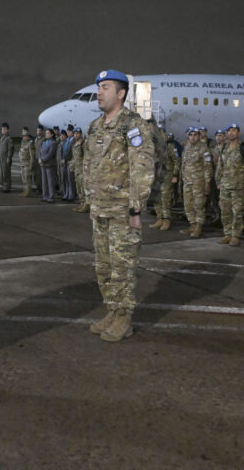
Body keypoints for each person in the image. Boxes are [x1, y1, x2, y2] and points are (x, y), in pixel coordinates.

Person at [84, 69, 155, 342]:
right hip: (100, 209)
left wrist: (136, 209)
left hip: (122, 212)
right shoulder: (96, 126)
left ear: (121, 93)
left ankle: (124, 319)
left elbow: (142, 169)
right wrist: (90, 199)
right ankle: (112, 311)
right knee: (103, 267)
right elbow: (88, 164)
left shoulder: (133, 125)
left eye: (105, 87)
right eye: (99, 87)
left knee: (122, 268)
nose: (99, 92)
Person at [215, 123, 244, 246]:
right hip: (225, 186)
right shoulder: (224, 148)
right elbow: (220, 166)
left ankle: (236, 235)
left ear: (238, 133)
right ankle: (227, 234)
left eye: (234, 130)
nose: (231, 133)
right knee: (225, 211)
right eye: (229, 131)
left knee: (237, 212)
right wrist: (218, 181)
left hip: (238, 186)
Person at [180, 127, 213, 238]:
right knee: (188, 205)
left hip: (198, 182)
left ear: (199, 136)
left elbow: (208, 167)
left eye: (195, 135)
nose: (192, 137)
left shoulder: (204, 148)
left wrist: (207, 183)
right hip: (187, 181)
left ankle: (199, 226)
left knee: (199, 205)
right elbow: (183, 164)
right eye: (191, 135)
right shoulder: (187, 147)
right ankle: (192, 224)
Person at [151, 126, 181, 231]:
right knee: (156, 197)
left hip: (167, 174)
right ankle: (159, 218)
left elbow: (177, 161)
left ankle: (167, 219)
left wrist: (175, 175)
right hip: (156, 175)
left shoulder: (170, 146)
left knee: (165, 196)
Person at [72, 128, 90, 212]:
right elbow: (74, 157)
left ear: (81, 134)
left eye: (77, 133)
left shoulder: (83, 144)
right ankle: (81, 203)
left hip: (83, 170)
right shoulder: (75, 144)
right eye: (75, 133)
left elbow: (86, 157)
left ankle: (86, 205)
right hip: (77, 169)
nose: (76, 135)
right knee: (78, 187)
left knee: (83, 188)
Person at [39, 127, 58, 202]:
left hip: (50, 164)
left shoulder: (53, 143)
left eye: (48, 133)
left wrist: (42, 160)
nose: (46, 134)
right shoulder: (44, 142)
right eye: (46, 133)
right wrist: (39, 159)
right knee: (44, 181)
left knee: (50, 181)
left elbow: (51, 154)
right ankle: (45, 196)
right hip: (43, 164)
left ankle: (51, 197)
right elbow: (40, 152)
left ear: (52, 134)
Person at [19, 127, 36, 197]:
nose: (23, 137)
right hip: (22, 163)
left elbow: (32, 156)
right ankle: (25, 190)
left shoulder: (30, 144)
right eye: (23, 136)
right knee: (23, 178)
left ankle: (28, 191)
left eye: (25, 136)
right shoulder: (23, 143)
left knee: (27, 178)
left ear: (28, 136)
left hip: (27, 163)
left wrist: (31, 165)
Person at [61, 126, 76, 201]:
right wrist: (62, 159)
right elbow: (63, 150)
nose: (68, 133)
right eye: (67, 131)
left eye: (69, 131)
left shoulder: (73, 141)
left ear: (72, 132)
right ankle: (66, 194)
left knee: (71, 180)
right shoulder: (67, 140)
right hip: (64, 162)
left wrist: (65, 159)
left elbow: (70, 152)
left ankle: (71, 195)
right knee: (65, 179)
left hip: (70, 162)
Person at [0, 122, 14, 193]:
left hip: (6, 159)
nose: (3, 130)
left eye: (4, 129)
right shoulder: (2, 138)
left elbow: (11, 148)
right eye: (2, 129)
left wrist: (9, 157)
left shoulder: (8, 138)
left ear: (8, 130)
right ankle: (4, 186)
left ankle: (7, 187)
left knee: (6, 173)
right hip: (2, 159)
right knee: (3, 173)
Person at [34, 125, 45, 193]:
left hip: (41, 159)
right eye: (37, 130)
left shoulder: (44, 139)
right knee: (36, 174)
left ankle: (42, 188)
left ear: (42, 131)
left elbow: (43, 150)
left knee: (41, 174)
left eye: (40, 130)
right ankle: (38, 187)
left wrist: (41, 158)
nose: (38, 132)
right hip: (36, 159)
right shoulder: (36, 139)